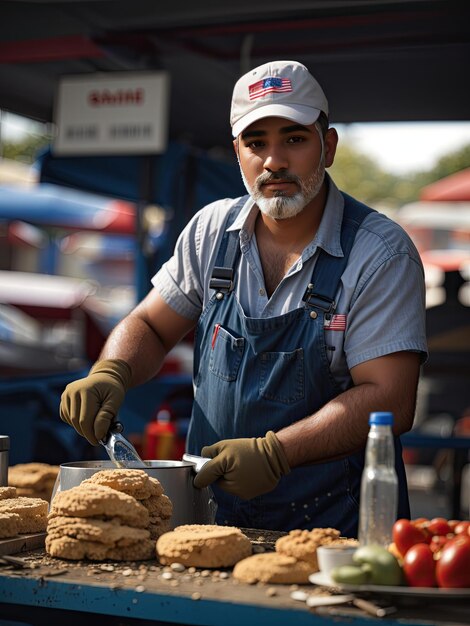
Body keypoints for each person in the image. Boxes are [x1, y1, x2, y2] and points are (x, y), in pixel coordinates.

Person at [60, 60, 428, 536]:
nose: (274, 161)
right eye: (256, 143)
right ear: (238, 152)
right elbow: (151, 326)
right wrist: (112, 371)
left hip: (339, 532)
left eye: (294, 139)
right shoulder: (212, 232)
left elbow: (390, 398)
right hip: (213, 523)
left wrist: (278, 453)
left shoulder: (379, 253)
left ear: (328, 146)